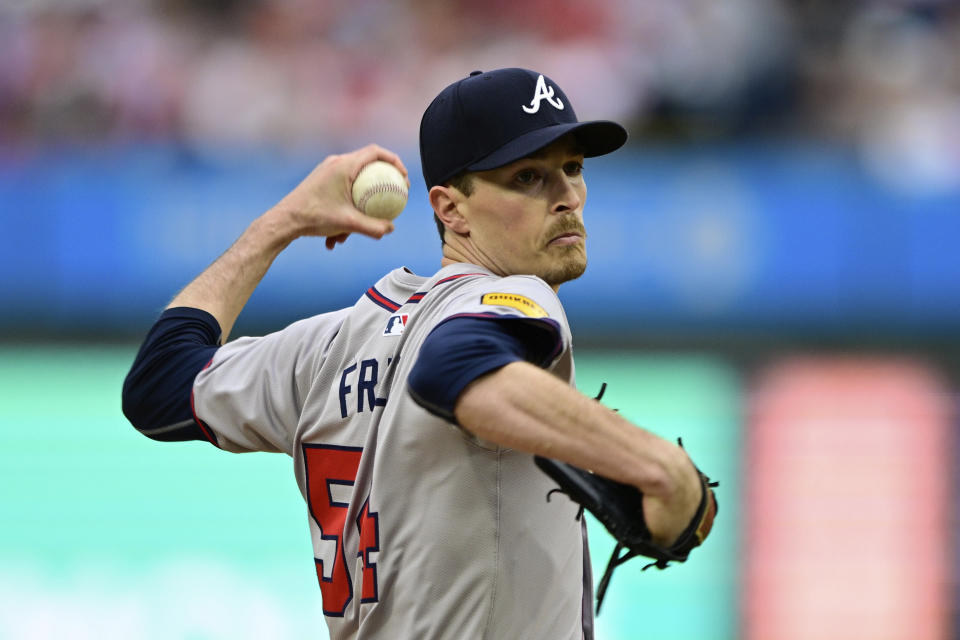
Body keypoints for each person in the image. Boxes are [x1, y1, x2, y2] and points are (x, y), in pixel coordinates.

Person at [122, 68, 706, 640]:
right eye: (528, 177)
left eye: (572, 169)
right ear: (451, 209)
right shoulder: (515, 294)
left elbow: (160, 387)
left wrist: (280, 223)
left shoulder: (326, 345)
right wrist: (654, 465)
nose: (567, 198)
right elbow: (456, 366)